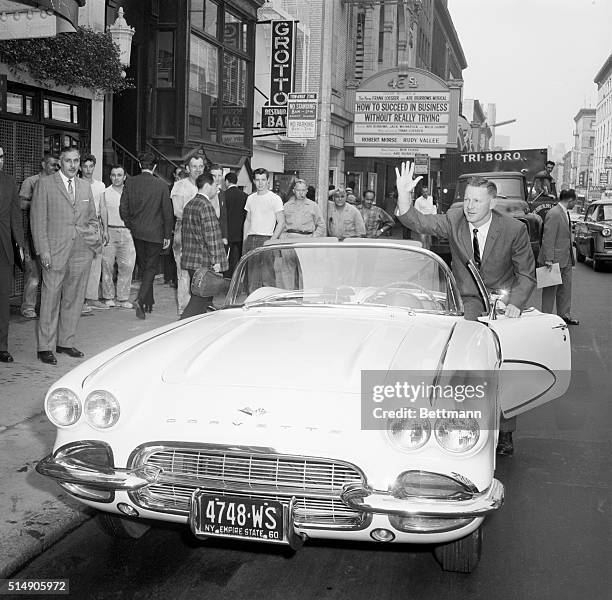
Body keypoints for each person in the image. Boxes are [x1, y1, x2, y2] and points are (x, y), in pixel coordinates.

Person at [395, 161, 536, 457]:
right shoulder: (455, 218)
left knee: (502, 367)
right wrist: (404, 195)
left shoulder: (514, 229)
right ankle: (458, 423)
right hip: (468, 302)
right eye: (467, 199)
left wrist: (515, 304)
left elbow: (527, 275)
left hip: (503, 303)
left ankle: (505, 431)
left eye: (477, 201)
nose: (470, 206)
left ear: (492, 202)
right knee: (462, 365)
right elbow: (417, 222)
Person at [31, 146, 103, 365]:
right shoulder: (45, 184)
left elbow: (92, 218)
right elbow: (38, 221)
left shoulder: (83, 186)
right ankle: (45, 347)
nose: (73, 165)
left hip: (81, 252)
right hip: (54, 253)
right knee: (50, 299)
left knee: (74, 299)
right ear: (59, 163)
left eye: (76, 161)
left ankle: (66, 342)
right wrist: (43, 250)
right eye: (69, 161)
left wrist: (92, 242)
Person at [119, 152, 173, 320]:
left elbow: (123, 209)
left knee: (144, 267)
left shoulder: (131, 182)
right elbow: (167, 213)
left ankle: (148, 301)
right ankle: (141, 300)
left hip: (137, 232)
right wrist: (167, 235)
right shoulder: (162, 186)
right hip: (156, 233)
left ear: (140, 165)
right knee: (150, 268)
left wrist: (131, 225)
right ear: (155, 167)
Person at [180, 171, 228, 319]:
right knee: (199, 300)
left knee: (202, 299)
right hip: (203, 262)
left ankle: (195, 330)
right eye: (215, 185)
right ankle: (181, 326)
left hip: (190, 260)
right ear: (207, 186)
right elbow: (211, 236)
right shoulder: (205, 205)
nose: (217, 189)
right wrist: (217, 262)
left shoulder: (190, 204)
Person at [18, 153, 59, 319]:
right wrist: (39, 202)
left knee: (51, 274)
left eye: (57, 165)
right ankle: (28, 307)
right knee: (34, 274)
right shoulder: (31, 181)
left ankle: (46, 308)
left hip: (54, 235)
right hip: (33, 234)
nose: (55, 168)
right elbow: (21, 203)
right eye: (52, 165)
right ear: (43, 164)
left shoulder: (58, 183)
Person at [0, 146, 26, 363]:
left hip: (4, 250)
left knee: (2, 301)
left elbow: (16, 218)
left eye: (1, 157)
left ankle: (2, 347)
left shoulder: (9, 182)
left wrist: (21, 246)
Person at [538, 188, 579, 326]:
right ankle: (546, 319)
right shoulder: (554, 213)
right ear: (570, 200)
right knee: (550, 291)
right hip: (553, 259)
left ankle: (564, 316)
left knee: (565, 289)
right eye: (575, 200)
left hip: (566, 258)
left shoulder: (564, 212)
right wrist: (548, 258)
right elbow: (548, 237)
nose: (576, 203)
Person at [170, 155, 204, 316]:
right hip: (183, 232)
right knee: (183, 272)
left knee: (202, 272)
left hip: (203, 233)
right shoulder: (179, 186)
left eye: (201, 166)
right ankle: (184, 309)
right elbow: (177, 211)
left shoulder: (206, 185)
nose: (198, 169)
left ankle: (200, 307)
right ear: (188, 168)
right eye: (194, 166)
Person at [277, 179, 325, 288]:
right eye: (298, 190)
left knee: (305, 271)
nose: (301, 193)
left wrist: (313, 238)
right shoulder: (287, 206)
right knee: (287, 270)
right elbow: (281, 224)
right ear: (294, 190)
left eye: (303, 190)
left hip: (306, 239)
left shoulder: (313, 206)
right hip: (289, 240)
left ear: (307, 191)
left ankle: (304, 297)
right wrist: (282, 238)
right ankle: (289, 296)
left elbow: (321, 225)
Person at [243, 168, 284, 291]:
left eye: (263, 180)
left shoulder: (275, 199)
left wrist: (271, 241)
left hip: (266, 239)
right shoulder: (250, 198)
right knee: (251, 277)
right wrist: (245, 240)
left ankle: (269, 305)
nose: (260, 183)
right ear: (254, 181)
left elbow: (281, 222)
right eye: (257, 180)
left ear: (268, 181)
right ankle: (252, 304)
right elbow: (248, 220)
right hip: (251, 239)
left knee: (268, 277)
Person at [100, 165, 136, 309]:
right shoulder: (105, 193)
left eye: (119, 175)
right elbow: (103, 212)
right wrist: (104, 230)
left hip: (127, 232)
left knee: (127, 266)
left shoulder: (130, 193)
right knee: (107, 265)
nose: (116, 178)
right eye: (113, 175)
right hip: (110, 231)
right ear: (110, 177)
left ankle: (123, 298)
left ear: (125, 177)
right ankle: (108, 297)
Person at [81, 154, 108, 312]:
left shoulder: (100, 185)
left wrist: (104, 229)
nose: (88, 169)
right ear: (80, 168)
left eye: (91, 166)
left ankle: (92, 297)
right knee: (81, 261)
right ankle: (80, 299)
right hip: (82, 224)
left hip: (96, 224)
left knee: (96, 261)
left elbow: (103, 207)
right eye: (85, 166)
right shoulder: (77, 183)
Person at [224, 171, 247, 275]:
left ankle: (227, 277)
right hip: (241, 231)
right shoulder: (245, 196)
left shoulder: (223, 195)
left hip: (227, 232)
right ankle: (238, 277)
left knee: (227, 258)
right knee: (238, 258)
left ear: (226, 181)